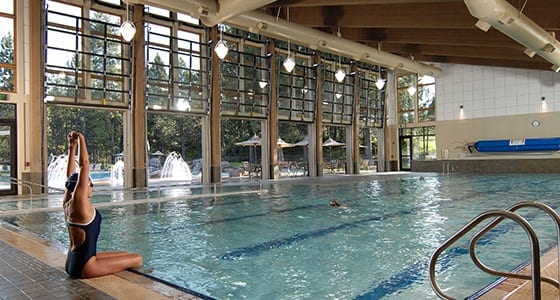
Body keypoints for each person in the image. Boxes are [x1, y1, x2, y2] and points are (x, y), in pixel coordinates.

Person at [63, 130, 143, 278]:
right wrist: (81, 139)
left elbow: (70, 178)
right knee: (137, 259)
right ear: (82, 187)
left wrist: (72, 147)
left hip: (72, 262)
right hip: (86, 267)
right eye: (90, 184)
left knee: (124, 254)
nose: (92, 187)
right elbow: (84, 165)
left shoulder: (68, 204)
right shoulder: (80, 204)